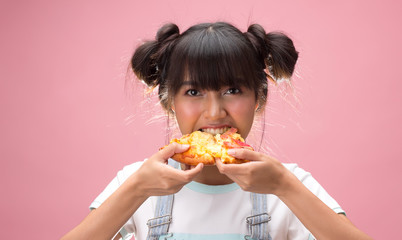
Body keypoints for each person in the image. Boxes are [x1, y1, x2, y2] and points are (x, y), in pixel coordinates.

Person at [62, 22, 372, 240]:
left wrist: (284, 187)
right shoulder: (136, 182)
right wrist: (137, 190)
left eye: (233, 90)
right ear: (169, 101)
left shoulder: (289, 184)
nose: (214, 113)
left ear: (259, 99)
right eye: (194, 92)